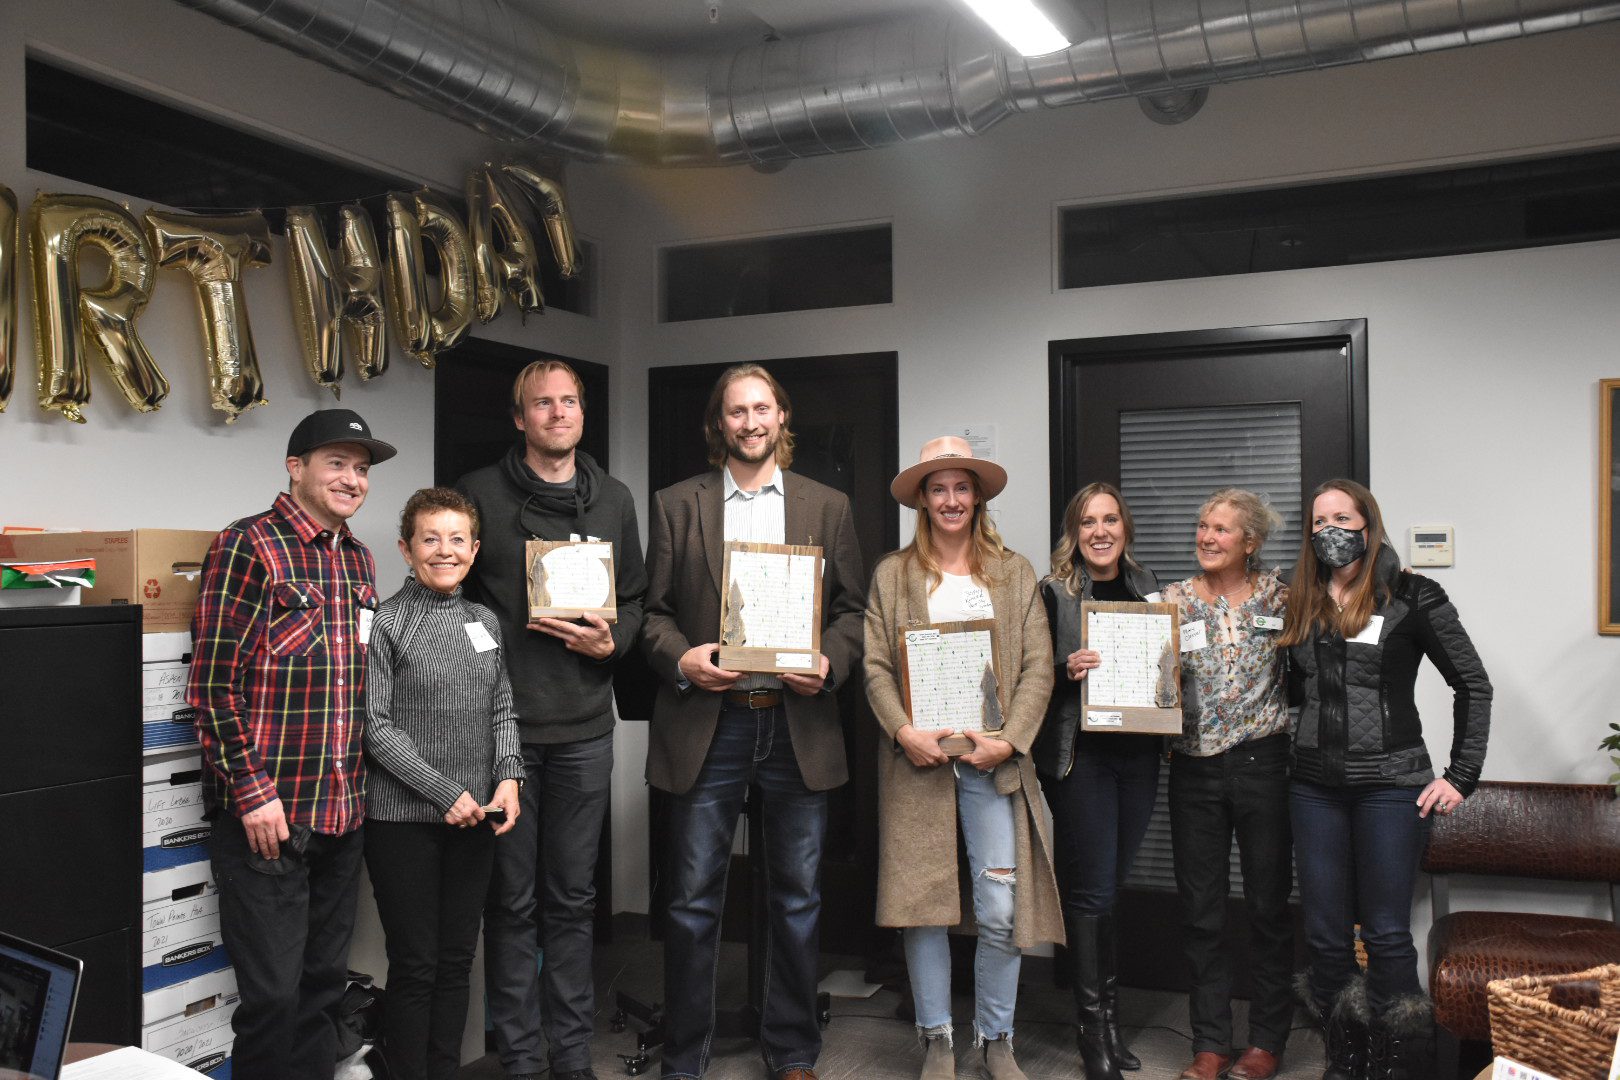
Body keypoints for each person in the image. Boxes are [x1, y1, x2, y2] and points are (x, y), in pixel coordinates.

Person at [641, 363, 866, 1080]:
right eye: (736, 411)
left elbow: (854, 612)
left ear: (781, 418)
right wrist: (686, 659)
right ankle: (686, 1055)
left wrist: (829, 662)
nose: (749, 422)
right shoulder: (679, 504)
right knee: (691, 901)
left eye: (761, 409)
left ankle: (793, 1050)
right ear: (720, 424)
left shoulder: (826, 506)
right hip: (712, 719)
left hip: (796, 720)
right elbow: (652, 616)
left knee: (797, 899)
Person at [187, 408, 396, 1080]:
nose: (353, 478)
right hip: (270, 821)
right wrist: (252, 795)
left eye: (361, 469)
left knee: (320, 993)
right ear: (296, 466)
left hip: (341, 814)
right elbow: (214, 687)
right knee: (272, 1002)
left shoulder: (360, 559)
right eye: (337, 462)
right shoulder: (250, 545)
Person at [456, 359, 647, 1080]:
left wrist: (615, 639)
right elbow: (452, 598)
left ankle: (571, 1059)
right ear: (519, 417)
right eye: (543, 403)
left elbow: (635, 598)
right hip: (501, 737)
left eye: (569, 402)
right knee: (510, 903)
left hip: (584, 731)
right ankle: (521, 1061)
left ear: (582, 413)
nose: (558, 413)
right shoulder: (478, 494)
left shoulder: (615, 500)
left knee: (573, 902)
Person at [863, 436, 1061, 1080]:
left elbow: (1036, 668)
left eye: (962, 487)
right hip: (919, 765)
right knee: (923, 906)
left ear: (978, 497)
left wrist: (1011, 740)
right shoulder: (893, 575)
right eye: (938, 488)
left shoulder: (1014, 574)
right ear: (923, 498)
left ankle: (995, 1037)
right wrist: (902, 731)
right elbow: (873, 668)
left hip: (991, 765)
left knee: (1002, 909)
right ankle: (937, 1040)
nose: (951, 499)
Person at [1282, 480, 1491, 1080]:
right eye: (1319, 521)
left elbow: (1473, 684)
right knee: (1324, 935)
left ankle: (1395, 1065)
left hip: (1391, 787)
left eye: (1342, 518)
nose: (1330, 531)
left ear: (1368, 526)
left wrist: (1462, 775)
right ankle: (1345, 1061)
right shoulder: (1299, 599)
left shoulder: (1413, 595)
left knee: (1385, 932)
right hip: (1313, 788)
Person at [362, 487, 526, 1080]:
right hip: (402, 822)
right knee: (416, 965)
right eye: (430, 539)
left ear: (475, 549)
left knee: (458, 962)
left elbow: (502, 706)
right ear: (406, 549)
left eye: (457, 539)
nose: (444, 550)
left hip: (476, 818)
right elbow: (374, 729)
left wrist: (509, 775)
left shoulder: (484, 622)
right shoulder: (384, 623)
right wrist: (445, 793)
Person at [1160, 489, 1293, 1080]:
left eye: (1221, 530)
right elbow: (1138, 669)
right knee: (1202, 912)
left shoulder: (1281, 597)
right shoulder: (1171, 602)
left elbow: (1347, 611)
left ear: (1250, 542)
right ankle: (1210, 1044)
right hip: (1194, 770)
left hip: (1265, 766)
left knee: (1267, 908)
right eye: (1202, 526)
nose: (1207, 537)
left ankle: (1266, 1040)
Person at [1033, 483, 1162, 1080]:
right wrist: (1066, 668)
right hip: (1079, 759)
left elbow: (1166, 671)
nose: (1100, 531)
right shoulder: (1053, 593)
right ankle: (1092, 1031)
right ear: (1074, 532)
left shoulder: (1149, 587)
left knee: (1111, 887)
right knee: (1090, 894)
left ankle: (1110, 1021)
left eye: (1110, 520)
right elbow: (1027, 677)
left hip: (1138, 758)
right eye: (1088, 522)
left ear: (1125, 528)